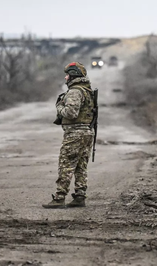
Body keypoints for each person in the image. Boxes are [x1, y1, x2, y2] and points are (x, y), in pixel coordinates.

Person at [42, 62, 95, 209]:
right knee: (80, 165)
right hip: (87, 132)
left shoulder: (75, 91)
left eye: (67, 75)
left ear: (73, 75)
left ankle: (59, 198)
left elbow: (71, 113)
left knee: (66, 164)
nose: (65, 77)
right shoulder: (86, 90)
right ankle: (80, 196)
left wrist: (59, 107)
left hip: (75, 133)